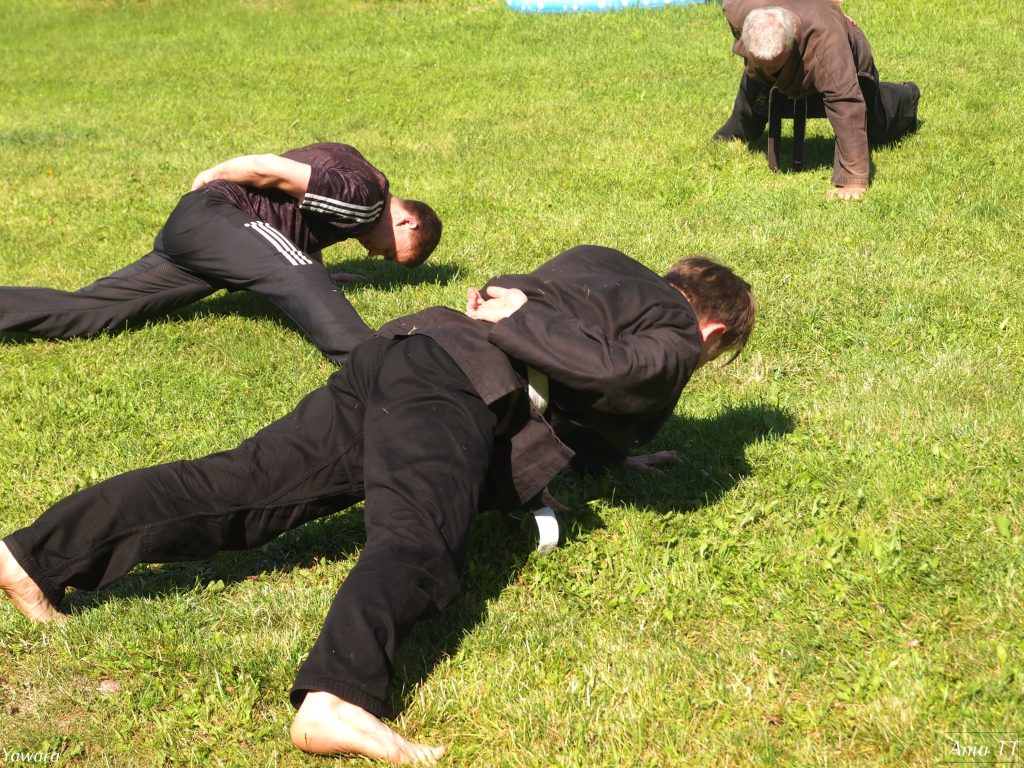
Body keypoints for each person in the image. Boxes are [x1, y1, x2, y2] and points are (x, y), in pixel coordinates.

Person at [0, 245, 755, 765]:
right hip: (453, 385)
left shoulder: (601, 266)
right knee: (419, 538)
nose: (697, 363)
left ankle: (33, 555)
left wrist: (615, 455)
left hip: (404, 350)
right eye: (712, 355)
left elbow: (579, 376)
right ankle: (336, 696)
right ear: (714, 330)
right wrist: (523, 321)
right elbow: (617, 373)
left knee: (240, 484)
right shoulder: (677, 330)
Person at [0, 142, 442, 364]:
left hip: (205, 240)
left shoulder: (356, 178)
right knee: (298, 275)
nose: (379, 256)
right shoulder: (365, 200)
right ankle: (379, 365)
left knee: (94, 310)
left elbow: (296, 228)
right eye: (393, 254)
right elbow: (268, 170)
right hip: (216, 217)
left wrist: (319, 273)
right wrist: (211, 174)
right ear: (408, 222)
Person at [713, 0, 920, 201]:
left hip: (845, 61)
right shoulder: (740, 7)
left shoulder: (828, 45)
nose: (767, 70)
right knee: (755, 84)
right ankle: (736, 131)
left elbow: (847, 104)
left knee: (875, 123)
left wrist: (853, 181)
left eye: (773, 66)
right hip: (804, 34)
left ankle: (906, 95)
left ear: (791, 43)